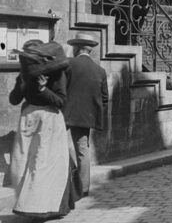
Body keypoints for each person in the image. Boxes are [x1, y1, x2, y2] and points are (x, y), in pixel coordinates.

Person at [9, 40, 80, 218]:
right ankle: (29, 204)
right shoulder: (25, 74)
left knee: (44, 165)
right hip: (28, 121)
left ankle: (42, 208)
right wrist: (22, 84)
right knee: (22, 163)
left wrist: (42, 89)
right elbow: (14, 99)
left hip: (49, 122)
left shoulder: (56, 74)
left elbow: (61, 101)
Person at [64, 32, 108, 197]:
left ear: (76, 48)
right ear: (90, 50)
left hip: (64, 114)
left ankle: (65, 181)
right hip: (85, 116)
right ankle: (83, 187)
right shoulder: (100, 71)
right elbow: (105, 99)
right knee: (83, 150)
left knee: (57, 146)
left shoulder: (68, 64)